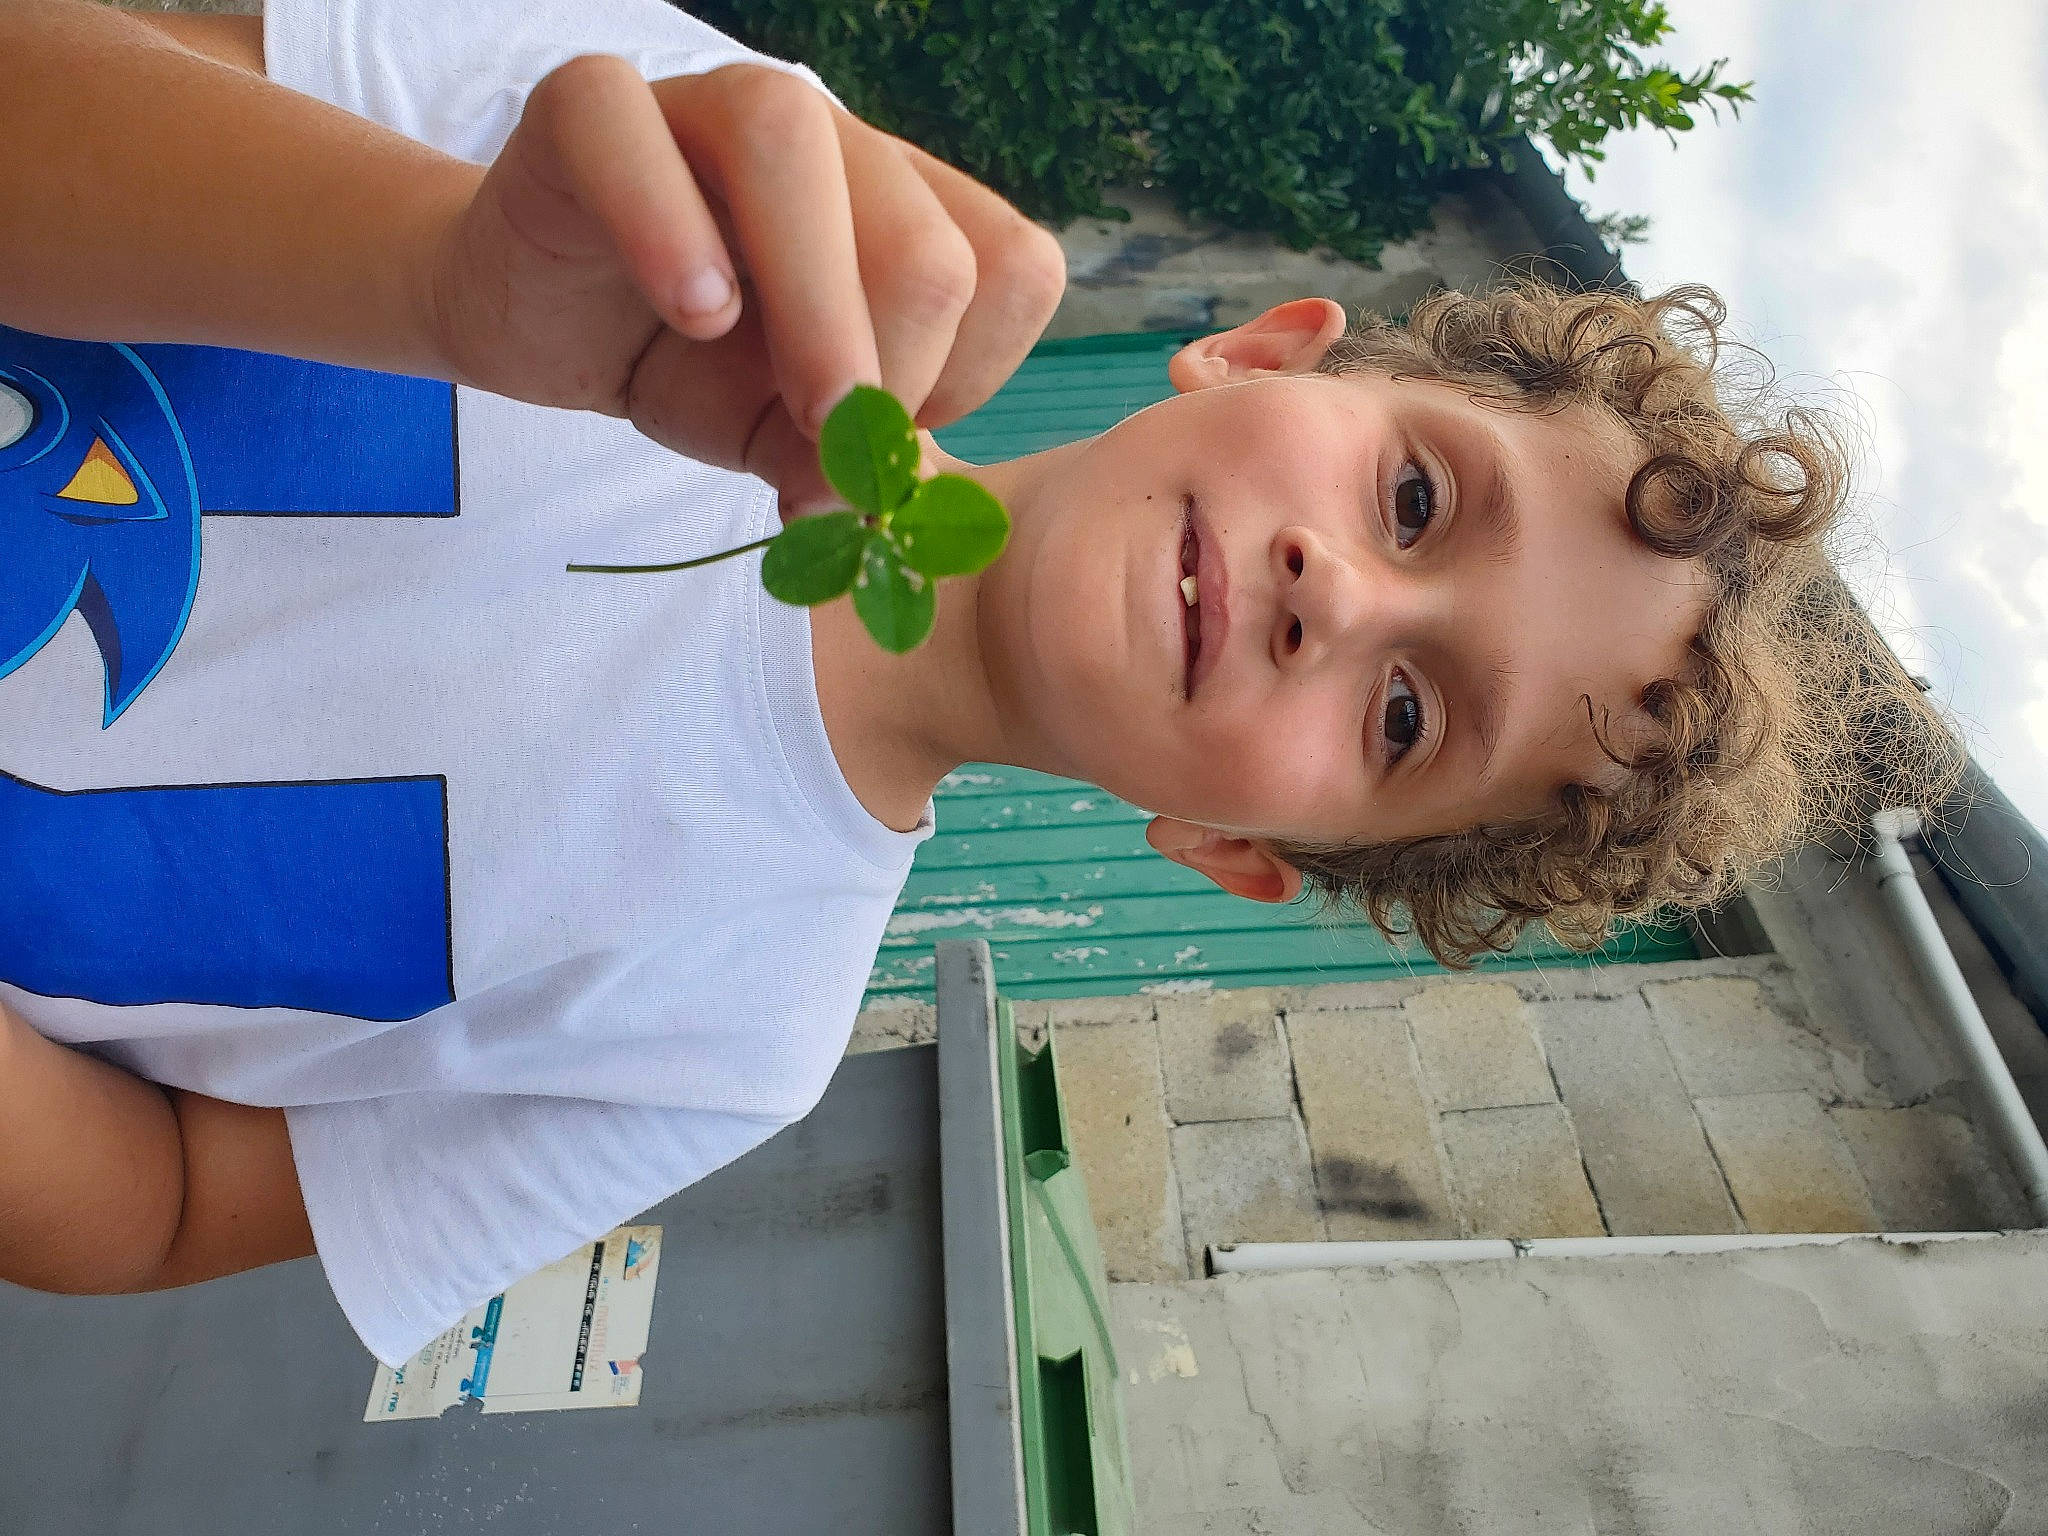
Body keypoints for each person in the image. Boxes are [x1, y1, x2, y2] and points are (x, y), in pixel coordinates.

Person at [0, 0, 1959, 1371]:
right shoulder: (715, 169)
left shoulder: (729, 1034)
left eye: (1401, 721)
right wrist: (433, 274)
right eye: (1417, 498)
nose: (1335, 597)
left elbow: (163, 1205)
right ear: (1269, 354)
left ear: (1236, 849)